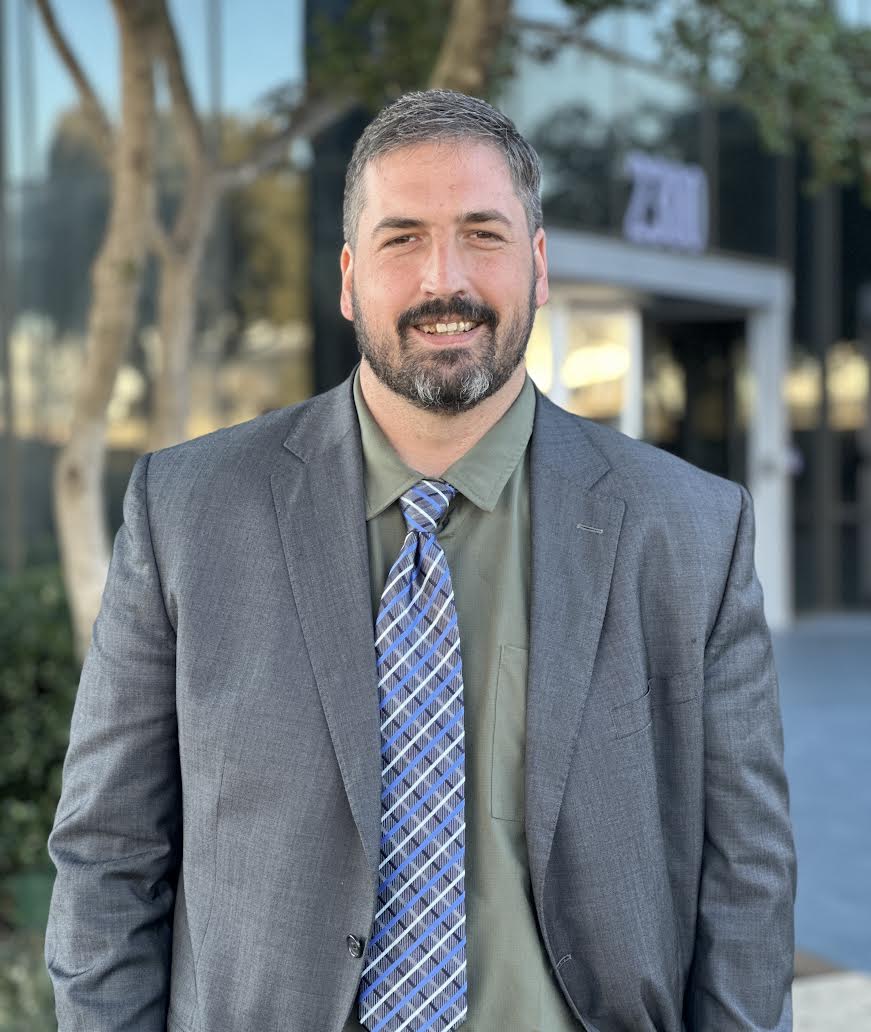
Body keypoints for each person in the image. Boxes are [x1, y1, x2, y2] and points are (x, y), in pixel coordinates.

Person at [45, 89, 796, 1032]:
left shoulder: (691, 528)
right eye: (402, 238)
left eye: (483, 234)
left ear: (537, 265)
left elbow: (746, 878)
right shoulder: (188, 511)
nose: (445, 279)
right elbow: (109, 854)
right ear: (349, 277)